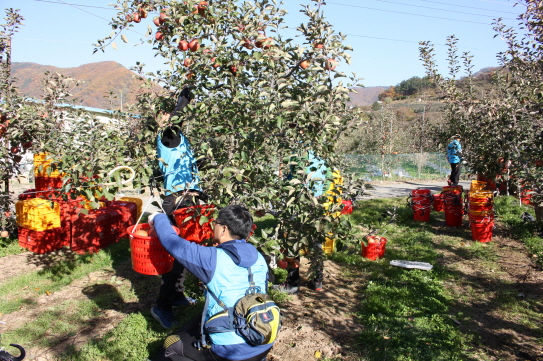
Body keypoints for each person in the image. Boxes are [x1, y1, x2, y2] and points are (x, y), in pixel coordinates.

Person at [150, 205, 273, 361]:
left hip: (229, 351)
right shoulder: (259, 257)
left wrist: (158, 217)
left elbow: (171, 241)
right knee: (196, 321)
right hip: (263, 338)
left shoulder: (213, 258)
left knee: (171, 345)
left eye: (215, 223)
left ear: (223, 229)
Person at [151, 89, 204, 329]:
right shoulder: (168, 134)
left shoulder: (179, 139)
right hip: (177, 201)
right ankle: (162, 306)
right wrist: (184, 99)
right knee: (176, 252)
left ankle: (177, 295)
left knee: (186, 249)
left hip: (188, 198)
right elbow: (174, 120)